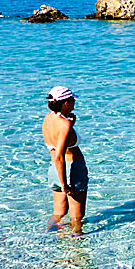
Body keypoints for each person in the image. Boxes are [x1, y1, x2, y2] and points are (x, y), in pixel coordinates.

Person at [42, 86, 88, 235]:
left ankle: (47, 234)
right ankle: (78, 250)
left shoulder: (49, 118)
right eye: (73, 100)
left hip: (54, 170)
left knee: (58, 213)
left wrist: (71, 124)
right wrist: (64, 184)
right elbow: (60, 155)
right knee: (77, 217)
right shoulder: (64, 124)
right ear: (66, 103)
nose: (75, 103)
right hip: (71, 170)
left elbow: (57, 144)